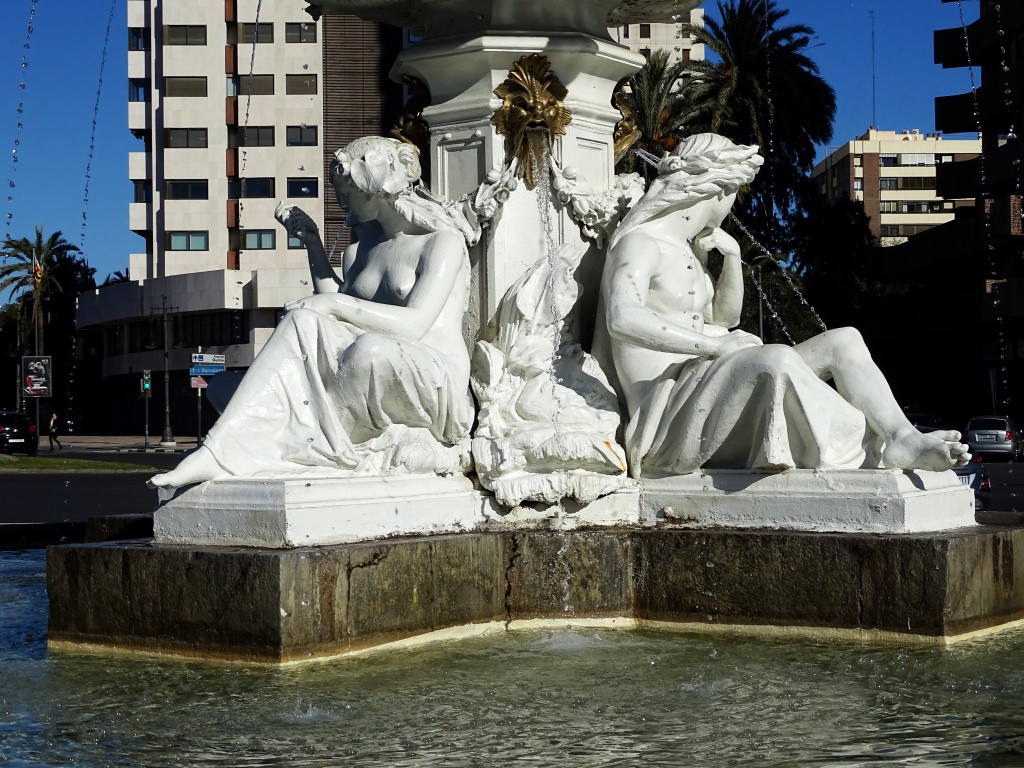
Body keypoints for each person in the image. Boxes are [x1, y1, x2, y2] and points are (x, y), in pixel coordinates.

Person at [596, 133, 970, 478]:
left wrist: (730, 258)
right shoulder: (641, 243)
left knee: (845, 340)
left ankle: (899, 436)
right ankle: (860, 449)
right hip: (668, 408)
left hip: (706, 379)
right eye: (734, 193)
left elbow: (724, 318)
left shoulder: (688, 250)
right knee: (775, 359)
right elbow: (622, 317)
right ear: (714, 188)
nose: (732, 205)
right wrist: (716, 345)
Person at [151, 137, 474, 488]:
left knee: (368, 350)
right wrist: (312, 243)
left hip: (437, 377)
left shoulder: (441, 242)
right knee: (303, 320)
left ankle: (303, 444)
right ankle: (218, 453)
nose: (340, 202)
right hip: (377, 363)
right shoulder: (359, 252)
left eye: (346, 193)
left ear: (374, 189)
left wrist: (332, 303)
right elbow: (334, 317)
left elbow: (415, 324)